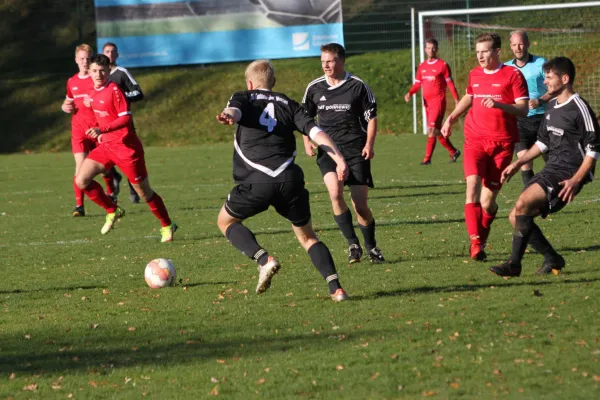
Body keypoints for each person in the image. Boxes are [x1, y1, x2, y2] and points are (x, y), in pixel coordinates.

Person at [215, 59, 350, 302]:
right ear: (273, 82)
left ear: (249, 83)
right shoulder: (289, 103)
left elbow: (234, 110)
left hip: (257, 180)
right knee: (308, 237)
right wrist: (338, 158)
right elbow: (315, 132)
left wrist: (228, 115)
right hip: (289, 179)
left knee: (225, 222)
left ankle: (264, 259)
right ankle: (336, 289)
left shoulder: (243, 96)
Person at [491, 57, 600, 277]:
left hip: (569, 172)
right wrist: (519, 162)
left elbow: (594, 149)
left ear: (565, 79)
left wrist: (576, 180)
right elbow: (542, 143)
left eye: (549, 78)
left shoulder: (580, 107)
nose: (546, 82)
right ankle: (552, 257)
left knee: (522, 204)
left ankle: (514, 264)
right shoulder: (551, 105)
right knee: (515, 216)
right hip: (552, 167)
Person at [441, 33, 529, 261]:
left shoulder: (513, 75)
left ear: (497, 52)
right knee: (472, 188)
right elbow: (470, 96)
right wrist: (451, 117)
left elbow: (523, 109)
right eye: (478, 51)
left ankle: (481, 238)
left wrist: (499, 104)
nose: (480, 55)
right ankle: (475, 243)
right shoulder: (474, 74)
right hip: (475, 140)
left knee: (488, 203)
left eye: (485, 51)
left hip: (503, 144)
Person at [74, 54, 177, 242]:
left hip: (126, 148)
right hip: (106, 146)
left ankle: (167, 224)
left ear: (108, 71)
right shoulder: (92, 91)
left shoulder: (114, 90)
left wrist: (101, 129)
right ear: (89, 72)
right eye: (95, 71)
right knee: (81, 180)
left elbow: (125, 118)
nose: (98, 74)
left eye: (102, 71)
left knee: (144, 193)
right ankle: (113, 210)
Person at [302, 43, 384, 264]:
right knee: (335, 194)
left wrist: (369, 144)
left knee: (360, 205)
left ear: (340, 60)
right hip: (328, 150)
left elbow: (371, 118)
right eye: (322, 61)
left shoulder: (357, 86)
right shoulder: (314, 88)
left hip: (356, 149)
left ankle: (371, 246)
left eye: (329, 61)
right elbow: (305, 119)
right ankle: (352, 244)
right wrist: (307, 142)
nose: (325, 65)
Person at [61, 44, 116, 217]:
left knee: (104, 169)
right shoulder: (71, 81)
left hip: (98, 129)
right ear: (76, 60)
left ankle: (111, 191)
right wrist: (64, 107)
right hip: (79, 131)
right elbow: (68, 101)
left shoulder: (97, 79)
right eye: (81, 58)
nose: (85, 62)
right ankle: (79, 206)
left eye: (87, 58)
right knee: (80, 168)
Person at [505, 30, 552, 185]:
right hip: (519, 120)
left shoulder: (541, 64)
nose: (518, 48)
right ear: (510, 47)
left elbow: (554, 88)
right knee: (524, 161)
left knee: (550, 161)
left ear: (527, 44)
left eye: (521, 43)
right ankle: (530, 198)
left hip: (542, 119)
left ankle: (553, 193)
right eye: (514, 44)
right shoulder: (506, 68)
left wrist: (540, 100)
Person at [404, 38, 461, 165]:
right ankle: (453, 151)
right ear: (425, 50)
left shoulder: (443, 65)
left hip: (438, 102)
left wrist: (457, 99)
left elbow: (450, 84)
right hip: (427, 103)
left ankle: (427, 159)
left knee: (431, 130)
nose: (431, 50)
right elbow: (417, 84)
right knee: (436, 130)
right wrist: (410, 93)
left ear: (437, 49)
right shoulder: (422, 66)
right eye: (429, 48)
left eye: (433, 48)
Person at [102, 42, 145, 204]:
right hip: (104, 125)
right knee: (102, 153)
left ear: (117, 55)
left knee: (128, 156)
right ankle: (114, 176)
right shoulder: (99, 75)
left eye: (113, 52)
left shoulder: (121, 73)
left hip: (123, 124)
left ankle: (133, 189)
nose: (110, 54)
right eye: (107, 51)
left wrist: (122, 97)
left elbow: (138, 92)